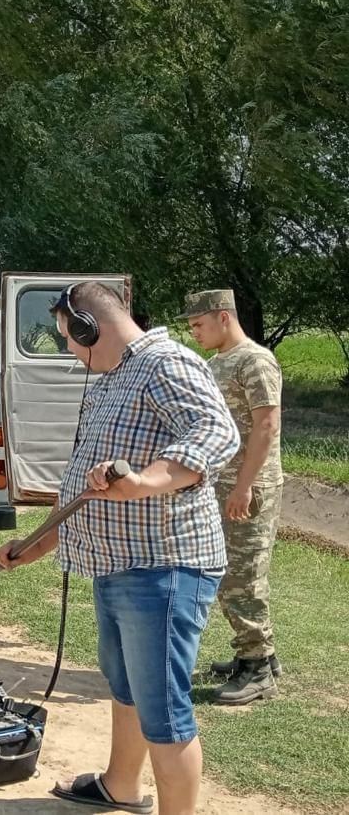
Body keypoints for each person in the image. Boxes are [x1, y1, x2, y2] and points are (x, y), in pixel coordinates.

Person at [0, 282, 238, 815]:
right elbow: (88, 491)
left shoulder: (166, 363)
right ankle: (120, 787)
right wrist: (36, 544)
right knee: (126, 688)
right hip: (119, 566)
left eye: (68, 338)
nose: (68, 350)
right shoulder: (111, 377)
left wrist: (146, 481)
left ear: (88, 326)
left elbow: (216, 433)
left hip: (164, 568)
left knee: (164, 712)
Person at [183, 288, 284, 705]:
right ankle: (257, 655)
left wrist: (244, 487)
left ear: (223, 317)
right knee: (225, 574)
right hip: (223, 484)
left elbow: (266, 426)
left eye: (199, 325)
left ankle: (258, 666)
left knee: (242, 580)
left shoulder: (255, 360)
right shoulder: (216, 363)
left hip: (250, 486)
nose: (195, 334)